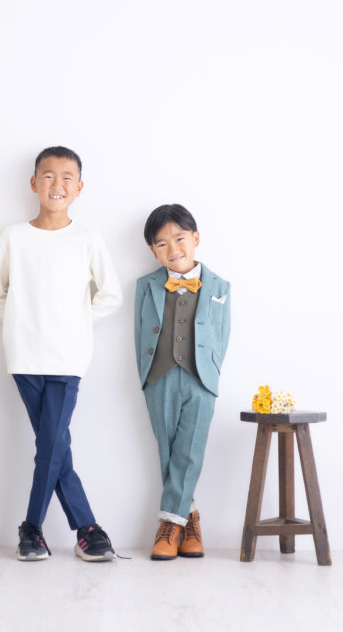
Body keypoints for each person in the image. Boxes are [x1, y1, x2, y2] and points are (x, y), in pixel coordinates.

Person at [0, 146, 123, 561]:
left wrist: (78, 324)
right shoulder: (13, 237)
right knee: (54, 443)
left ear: (79, 187)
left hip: (68, 358)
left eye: (67, 178)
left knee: (50, 442)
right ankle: (87, 530)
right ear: (34, 183)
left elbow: (111, 294)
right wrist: (20, 324)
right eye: (48, 175)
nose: (57, 184)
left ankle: (33, 528)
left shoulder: (87, 239)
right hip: (24, 357)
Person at [133, 204, 231, 560]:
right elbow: (139, 332)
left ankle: (169, 527)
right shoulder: (145, 285)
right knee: (168, 450)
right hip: (158, 375)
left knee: (190, 451)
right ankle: (190, 522)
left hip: (200, 378)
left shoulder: (220, 286)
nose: (173, 249)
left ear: (196, 238)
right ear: (152, 250)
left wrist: (212, 372)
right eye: (162, 244)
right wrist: (146, 376)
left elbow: (222, 334)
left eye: (179, 238)